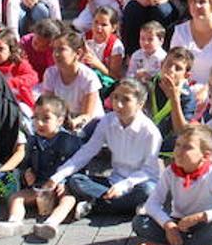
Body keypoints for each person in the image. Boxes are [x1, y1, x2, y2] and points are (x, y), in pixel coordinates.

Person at [51, 78, 162, 218]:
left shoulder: (150, 132)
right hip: (113, 181)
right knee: (76, 181)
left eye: (126, 100)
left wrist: (124, 185)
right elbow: (88, 150)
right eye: (115, 97)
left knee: (147, 191)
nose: (118, 104)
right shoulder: (108, 121)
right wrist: (58, 175)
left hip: (139, 183)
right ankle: (124, 207)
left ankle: (95, 205)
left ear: (140, 104)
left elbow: (149, 171)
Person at [133, 122, 212, 245]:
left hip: (204, 224)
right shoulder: (171, 172)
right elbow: (152, 203)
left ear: (205, 155)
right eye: (178, 145)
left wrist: (201, 217)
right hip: (179, 224)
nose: (179, 151)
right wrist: (168, 225)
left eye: (187, 147)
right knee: (140, 223)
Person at [0, 95, 83, 240]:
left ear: (60, 120)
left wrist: (64, 182)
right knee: (16, 197)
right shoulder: (33, 141)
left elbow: (77, 165)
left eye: (46, 118)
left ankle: (52, 223)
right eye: (35, 118)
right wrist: (28, 172)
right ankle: (14, 222)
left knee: (68, 199)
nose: (39, 123)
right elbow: (27, 162)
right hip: (40, 187)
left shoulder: (69, 141)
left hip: (60, 187)